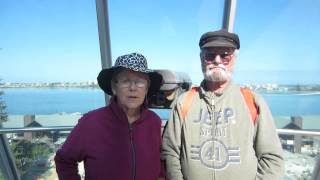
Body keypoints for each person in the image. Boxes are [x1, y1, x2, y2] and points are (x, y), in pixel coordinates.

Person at [162, 29, 284, 180]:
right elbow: (170, 152)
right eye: (210, 55)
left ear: (234, 60)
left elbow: (272, 158)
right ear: (202, 59)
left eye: (225, 55)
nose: (217, 60)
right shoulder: (184, 102)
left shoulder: (252, 101)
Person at [55, 52, 165, 180]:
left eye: (140, 81)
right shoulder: (91, 122)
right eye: (125, 81)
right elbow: (64, 160)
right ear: (114, 87)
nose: (133, 87)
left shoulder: (154, 121)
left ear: (146, 88)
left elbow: (158, 162)